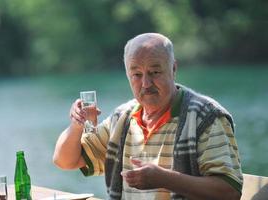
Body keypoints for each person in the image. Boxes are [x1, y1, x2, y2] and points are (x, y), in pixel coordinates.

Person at [53, 33, 243, 200]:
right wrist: (77, 124)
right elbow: (65, 160)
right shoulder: (123, 117)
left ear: (174, 69)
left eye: (155, 72)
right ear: (128, 75)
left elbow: (229, 192)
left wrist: (164, 179)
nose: (145, 83)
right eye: (136, 74)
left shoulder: (205, 116)